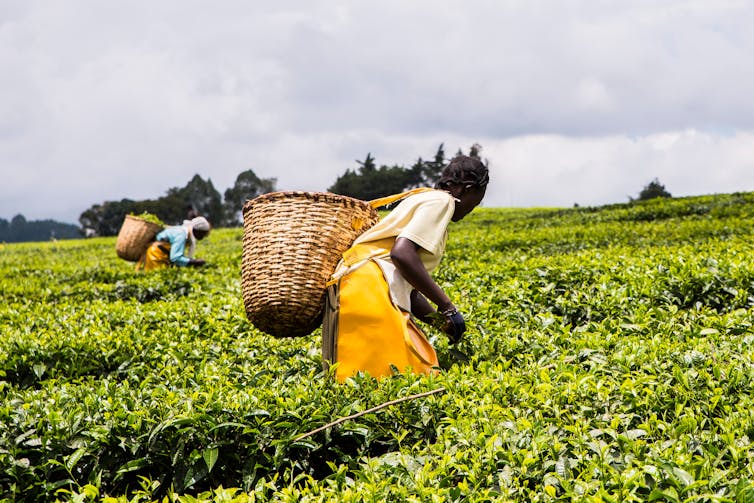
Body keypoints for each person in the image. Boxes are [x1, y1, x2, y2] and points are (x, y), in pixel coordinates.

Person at [322, 155, 489, 382]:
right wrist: (448, 307)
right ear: (466, 190)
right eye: (475, 202)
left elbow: (406, 285)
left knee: (357, 378)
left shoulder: (424, 199)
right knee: (411, 373)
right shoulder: (442, 202)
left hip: (354, 287)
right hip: (370, 288)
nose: (472, 209)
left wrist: (441, 324)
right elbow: (401, 254)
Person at [136, 216, 211, 271]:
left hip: (162, 256)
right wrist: (194, 262)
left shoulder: (184, 232)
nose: (203, 237)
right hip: (156, 255)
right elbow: (175, 258)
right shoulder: (181, 234)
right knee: (155, 278)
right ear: (197, 231)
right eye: (202, 234)